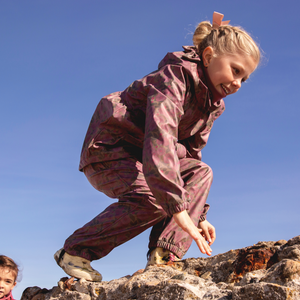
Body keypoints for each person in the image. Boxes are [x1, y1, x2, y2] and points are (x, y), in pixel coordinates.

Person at [54, 12, 261, 281]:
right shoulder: (174, 77)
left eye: (243, 79)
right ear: (209, 57)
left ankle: (164, 255)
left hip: (146, 157)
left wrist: (198, 216)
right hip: (110, 148)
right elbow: (160, 135)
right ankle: (75, 252)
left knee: (201, 172)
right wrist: (177, 207)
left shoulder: (213, 106)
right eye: (235, 70)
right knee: (154, 197)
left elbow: (191, 156)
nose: (237, 84)